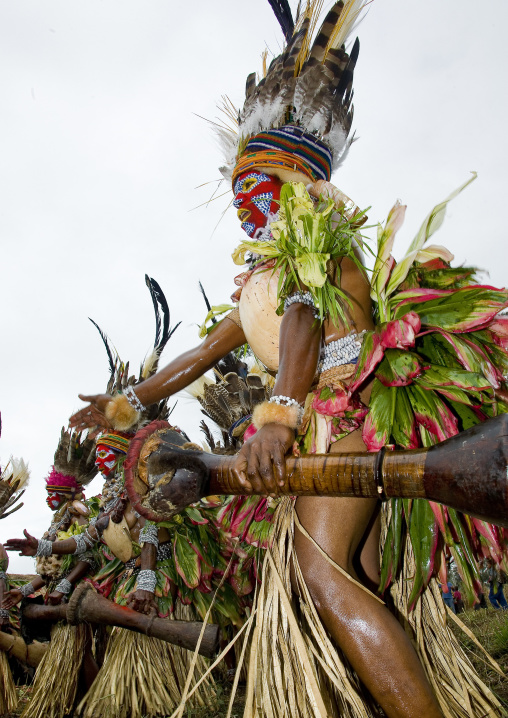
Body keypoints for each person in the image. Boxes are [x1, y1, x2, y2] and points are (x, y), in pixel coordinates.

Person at [26, 2, 508, 717]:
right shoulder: (257, 277)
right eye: (239, 194)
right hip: (320, 428)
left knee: (321, 578)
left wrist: (279, 416)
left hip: (346, 418)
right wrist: (130, 402)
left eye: (260, 190)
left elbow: (303, 322)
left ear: (299, 182)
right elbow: (202, 350)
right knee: (350, 584)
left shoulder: (319, 248)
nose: (248, 208)